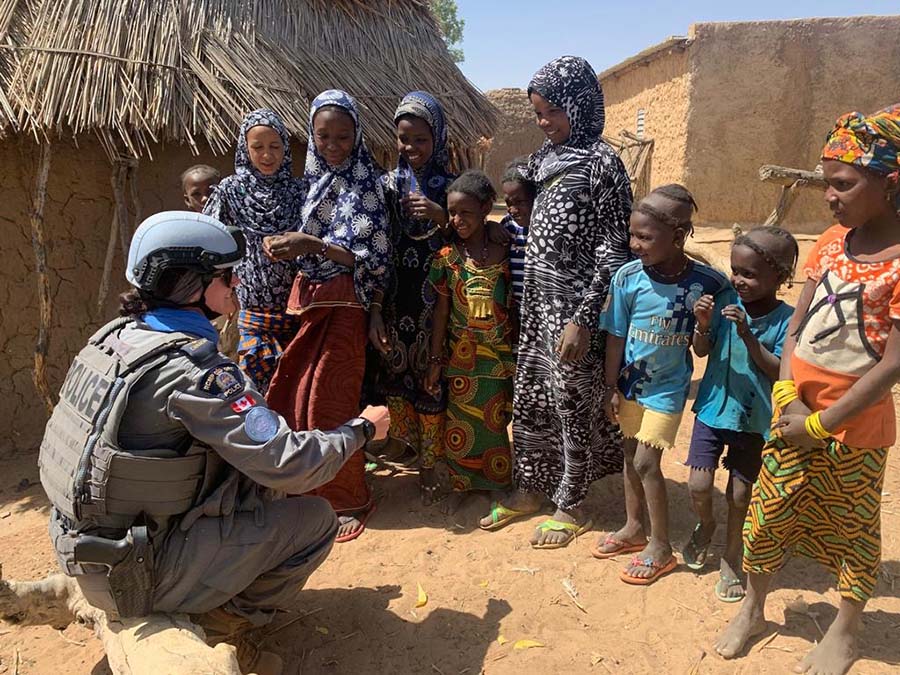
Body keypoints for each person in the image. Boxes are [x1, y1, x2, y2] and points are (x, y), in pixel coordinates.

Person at [37, 211, 389, 675]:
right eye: (225, 275)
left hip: (84, 546)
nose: (236, 282)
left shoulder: (112, 339)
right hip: (134, 570)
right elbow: (292, 463)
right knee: (314, 520)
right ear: (192, 285)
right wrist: (360, 430)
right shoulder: (196, 373)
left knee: (253, 484)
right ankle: (225, 631)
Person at [715, 104, 900, 675]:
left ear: (891, 184)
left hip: (855, 430)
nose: (830, 196)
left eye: (843, 184)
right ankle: (754, 606)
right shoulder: (829, 243)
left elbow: (892, 365)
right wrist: (788, 396)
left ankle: (845, 629)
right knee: (768, 517)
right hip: (793, 416)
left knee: (853, 531)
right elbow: (798, 327)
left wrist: (824, 422)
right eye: (827, 184)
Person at [482, 56, 632, 548]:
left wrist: (584, 319)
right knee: (533, 397)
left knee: (572, 404)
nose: (544, 122)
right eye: (538, 113)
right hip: (537, 304)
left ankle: (572, 502)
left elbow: (615, 249)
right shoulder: (546, 158)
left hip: (574, 309)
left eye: (551, 111)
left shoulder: (603, 165)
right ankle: (532, 485)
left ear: (579, 105)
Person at [265, 90, 391, 543]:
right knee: (297, 396)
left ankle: (347, 498)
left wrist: (311, 245)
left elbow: (373, 258)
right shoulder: (313, 182)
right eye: (323, 136)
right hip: (312, 301)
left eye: (342, 135)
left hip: (346, 305)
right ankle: (305, 490)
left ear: (357, 135)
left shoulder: (367, 185)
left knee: (330, 401)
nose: (333, 144)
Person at [597, 185, 729, 585]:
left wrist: (704, 326)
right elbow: (616, 336)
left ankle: (660, 546)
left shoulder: (708, 283)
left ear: (678, 236)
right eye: (632, 235)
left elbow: (704, 349)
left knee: (645, 462)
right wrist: (609, 387)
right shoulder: (627, 277)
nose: (635, 244)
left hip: (669, 389)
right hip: (631, 384)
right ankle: (634, 526)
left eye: (646, 237)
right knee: (628, 455)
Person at [683, 226, 797, 601]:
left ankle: (732, 557)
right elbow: (702, 351)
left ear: (779, 278)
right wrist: (702, 325)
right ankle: (706, 523)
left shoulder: (787, 320)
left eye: (749, 274)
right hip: (713, 409)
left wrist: (748, 334)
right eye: (735, 270)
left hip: (754, 419)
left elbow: (777, 369)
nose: (738, 279)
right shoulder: (724, 299)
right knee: (699, 485)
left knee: (741, 494)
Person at [369, 91, 455, 504]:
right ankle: (401, 440)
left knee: (430, 372)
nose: (411, 148)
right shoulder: (386, 185)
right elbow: (379, 241)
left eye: (420, 139)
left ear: (437, 138)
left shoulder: (452, 187)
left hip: (437, 295)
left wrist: (442, 215)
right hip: (396, 289)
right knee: (395, 366)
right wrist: (376, 303)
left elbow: (469, 235)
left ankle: (431, 457)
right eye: (404, 138)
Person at [424, 171, 515, 515]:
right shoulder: (448, 256)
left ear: (486, 209)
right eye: (452, 213)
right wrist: (435, 359)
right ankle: (462, 483)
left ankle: (495, 483)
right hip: (460, 355)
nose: (457, 220)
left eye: (466, 213)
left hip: (499, 353)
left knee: (493, 421)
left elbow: (515, 303)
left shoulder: (505, 249)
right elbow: (442, 311)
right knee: (460, 420)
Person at [203, 110, 306, 394]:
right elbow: (211, 241)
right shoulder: (230, 192)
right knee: (252, 393)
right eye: (257, 147)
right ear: (244, 149)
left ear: (286, 148)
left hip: (296, 313)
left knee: (291, 392)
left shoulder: (300, 192)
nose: (267, 155)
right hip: (250, 313)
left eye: (275, 146)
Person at [499, 157, 536, 316]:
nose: (513, 209)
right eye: (508, 203)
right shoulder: (507, 227)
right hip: (516, 311)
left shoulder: (547, 229)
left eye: (520, 202)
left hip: (541, 311)